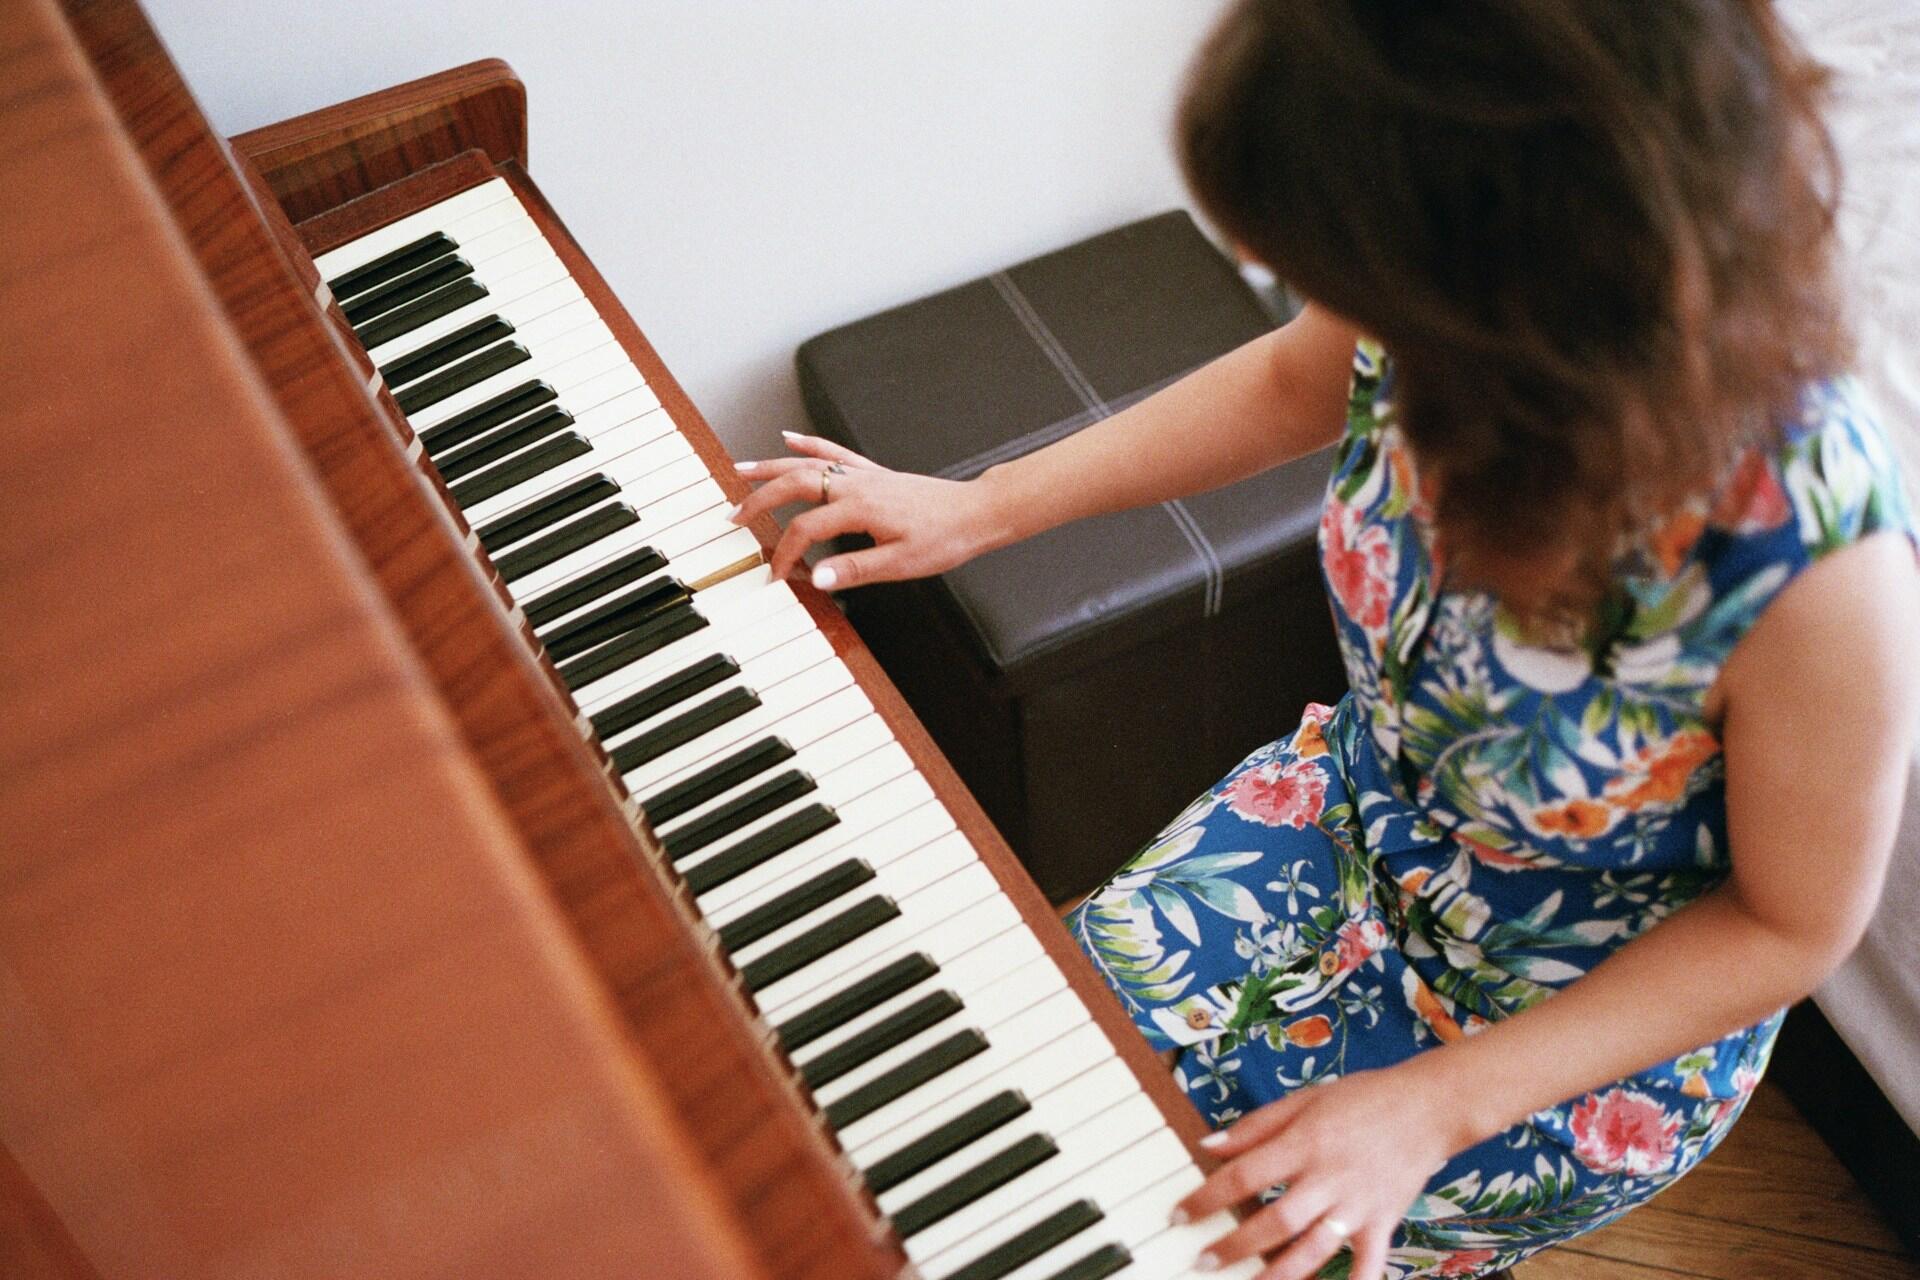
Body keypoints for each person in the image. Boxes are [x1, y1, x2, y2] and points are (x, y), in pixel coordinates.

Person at [728, 1, 1920, 1276]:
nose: (1275, 266)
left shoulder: (1815, 562)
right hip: (1346, 815)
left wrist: (1433, 1106)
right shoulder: (1449, 290)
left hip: (1558, 1027)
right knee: (1030, 1077)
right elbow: (1299, 378)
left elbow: (1793, 924)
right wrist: (977, 506)